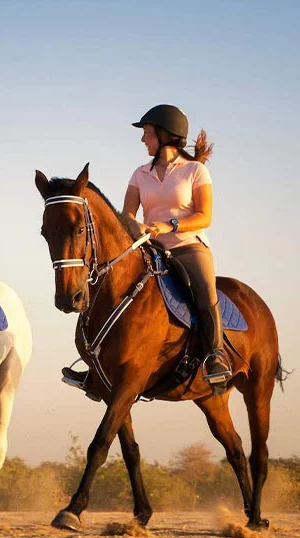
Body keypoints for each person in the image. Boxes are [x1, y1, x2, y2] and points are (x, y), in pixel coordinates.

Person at [63, 104, 231, 395]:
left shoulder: (196, 171)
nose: (143, 140)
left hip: (188, 246)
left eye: (147, 133)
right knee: (105, 284)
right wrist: (135, 226)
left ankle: (215, 356)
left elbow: (205, 216)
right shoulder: (140, 173)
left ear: (166, 135)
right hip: (150, 248)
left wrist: (170, 226)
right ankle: (95, 366)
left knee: (205, 290)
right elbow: (126, 214)